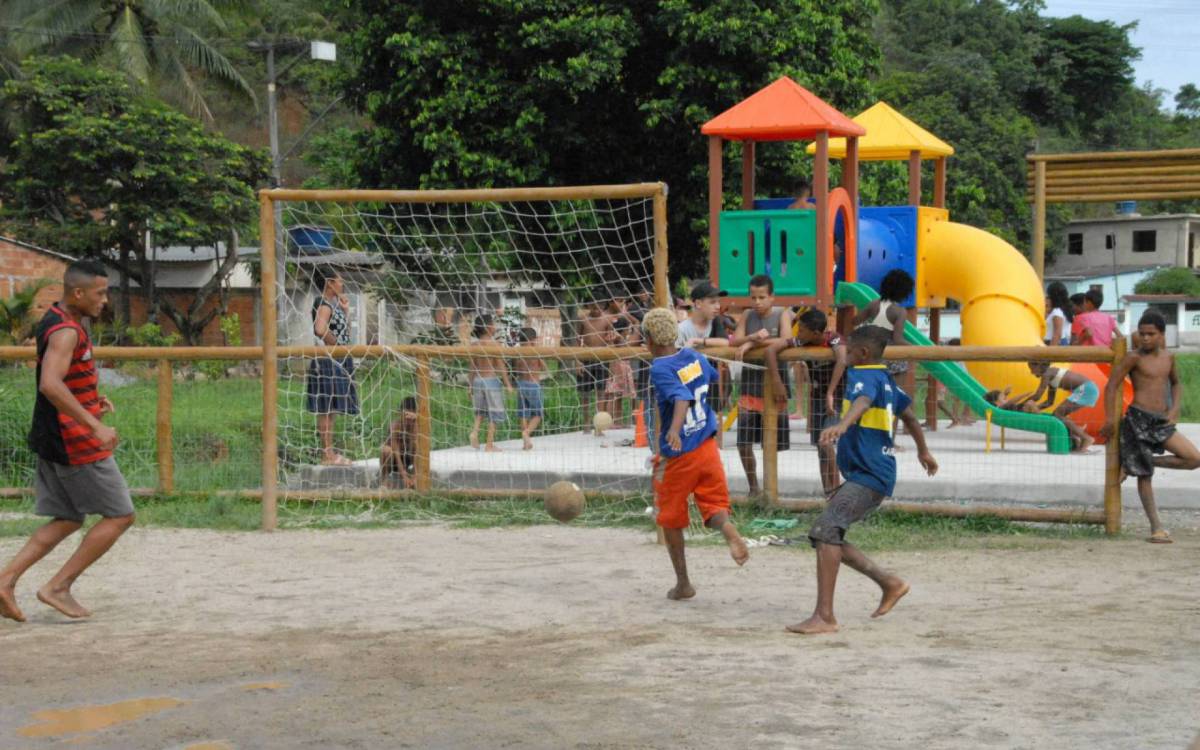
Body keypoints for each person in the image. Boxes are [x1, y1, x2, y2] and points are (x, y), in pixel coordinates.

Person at [0, 260, 134, 623]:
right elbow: (50, 384)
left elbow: (63, 381)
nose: (104, 300)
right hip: (74, 442)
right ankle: (58, 587)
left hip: (55, 435)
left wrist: (92, 401)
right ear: (78, 293)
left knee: (68, 518)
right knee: (120, 514)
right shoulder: (66, 332)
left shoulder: (57, 319)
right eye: (100, 292)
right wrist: (94, 425)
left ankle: (5, 581)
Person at [788, 326, 937, 635]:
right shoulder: (886, 380)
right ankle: (889, 583)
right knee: (825, 534)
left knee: (826, 530)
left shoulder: (863, 376)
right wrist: (924, 451)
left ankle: (825, 616)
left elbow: (862, 401)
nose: (847, 354)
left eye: (850, 349)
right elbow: (909, 416)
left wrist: (842, 425)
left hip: (870, 476)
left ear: (863, 354)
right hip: (871, 474)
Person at [642, 307, 749, 600]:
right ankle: (729, 532)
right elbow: (715, 376)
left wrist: (674, 430)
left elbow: (681, 397)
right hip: (707, 447)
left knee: (670, 518)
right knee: (714, 505)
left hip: (679, 455)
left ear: (649, 339)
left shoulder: (660, 367)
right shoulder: (693, 357)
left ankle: (683, 583)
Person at [1101, 310, 1200, 543]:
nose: (1145, 338)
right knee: (1145, 477)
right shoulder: (1134, 358)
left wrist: (1174, 410)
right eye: (1142, 333)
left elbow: (1176, 384)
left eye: (1150, 334)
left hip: (1161, 420)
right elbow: (1112, 386)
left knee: (1193, 458)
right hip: (1138, 418)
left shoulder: (1169, 358)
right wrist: (1109, 419)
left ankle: (1138, 461)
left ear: (1161, 335)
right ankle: (1156, 528)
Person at [763, 308, 847, 496]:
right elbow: (770, 350)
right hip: (816, 398)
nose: (797, 333)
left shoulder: (833, 339)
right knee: (820, 446)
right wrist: (777, 382)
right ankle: (829, 494)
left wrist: (831, 393)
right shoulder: (801, 341)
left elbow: (842, 359)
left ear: (816, 333)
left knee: (827, 443)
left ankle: (837, 492)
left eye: (801, 330)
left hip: (837, 399)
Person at [730, 274, 792, 497]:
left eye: (762, 297)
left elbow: (786, 339)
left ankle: (770, 488)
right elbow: (734, 340)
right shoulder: (747, 315)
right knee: (743, 441)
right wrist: (751, 337)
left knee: (771, 441)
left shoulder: (783, 314)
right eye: (753, 297)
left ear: (772, 297)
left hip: (776, 383)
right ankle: (753, 487)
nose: (757, 302)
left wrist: (751, 342)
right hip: (750, 385)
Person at [307, 267, 359, 466]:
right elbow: (320, 329)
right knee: (326, 407)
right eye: (339, 281)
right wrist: (335, 346)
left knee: (332, 408)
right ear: (329, 283)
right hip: (328, 359)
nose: (342, 284)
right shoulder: (323, 304)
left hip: (337, 358)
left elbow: (343, 331)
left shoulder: (334, 304)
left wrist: (345, 312)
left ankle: (329, 452)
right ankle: (327, 454)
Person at [1026, 362, 1098, 452]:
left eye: (1031, 368)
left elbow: (1037, 396)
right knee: (1057, 415)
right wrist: (1036, 408)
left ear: (1039, 365)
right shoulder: (1051, 377)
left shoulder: (1047, 373)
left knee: (1058, 414)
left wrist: (1020, 406)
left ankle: (1086, 438)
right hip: (1086, 388)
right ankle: (1076, 436)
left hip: (1085, 389)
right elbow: (1049, 402)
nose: (1031, 372)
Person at [468, 314, 513, 452]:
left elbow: (472, 367)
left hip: (477, 381)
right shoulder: (494, 345)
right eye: (493, 324)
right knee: (494, 413)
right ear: (488, 328)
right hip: (491, 381)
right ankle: (489, 444)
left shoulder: (474, 345)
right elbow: (501, 367)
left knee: (480, 412)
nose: (495, 326)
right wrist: (508, 384)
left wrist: (470, 385)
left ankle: (474, 432)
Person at [575, 299, 613, 433]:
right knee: (585, 393)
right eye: (594, 306)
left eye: (600, 306)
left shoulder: (607, 320)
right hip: (586, 358)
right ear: (589, 305)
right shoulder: (582, 319)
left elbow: (610, 339)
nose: (597, 309)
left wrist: (610, 343)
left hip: (602, 358)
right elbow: (577, 339)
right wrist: (578, 361)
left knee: (601, 392)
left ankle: (599, 426)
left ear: (603, 306)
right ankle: (586, 422)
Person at [513, 327, 546, 450]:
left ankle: (525, 443)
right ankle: (526, 433)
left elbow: (516, 369)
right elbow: (543, 367)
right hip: (533, 385)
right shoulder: (535, 352)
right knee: (538, 414)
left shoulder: (518, 353)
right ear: (533, 340)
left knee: (523, 413)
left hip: (521, 384)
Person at [381, 396, 418, 489]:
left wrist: (415, 476)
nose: (408, 420)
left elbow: (417, 452)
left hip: (408, 459)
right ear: (400, 413)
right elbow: (396, 453)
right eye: (406, 416)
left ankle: (415, 476)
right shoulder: (394, 427)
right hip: (393, 461)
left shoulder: (416, 427)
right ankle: (384, 479)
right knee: (386, 450)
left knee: (420, 445)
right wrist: (404, 476)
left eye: (411, 418)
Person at [1045, 281, 1074, 346]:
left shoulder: (1057, 312)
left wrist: (1050, 352)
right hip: (1062, 342)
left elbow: (1057, 334)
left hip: (1054, 343)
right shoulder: (1064, 310)